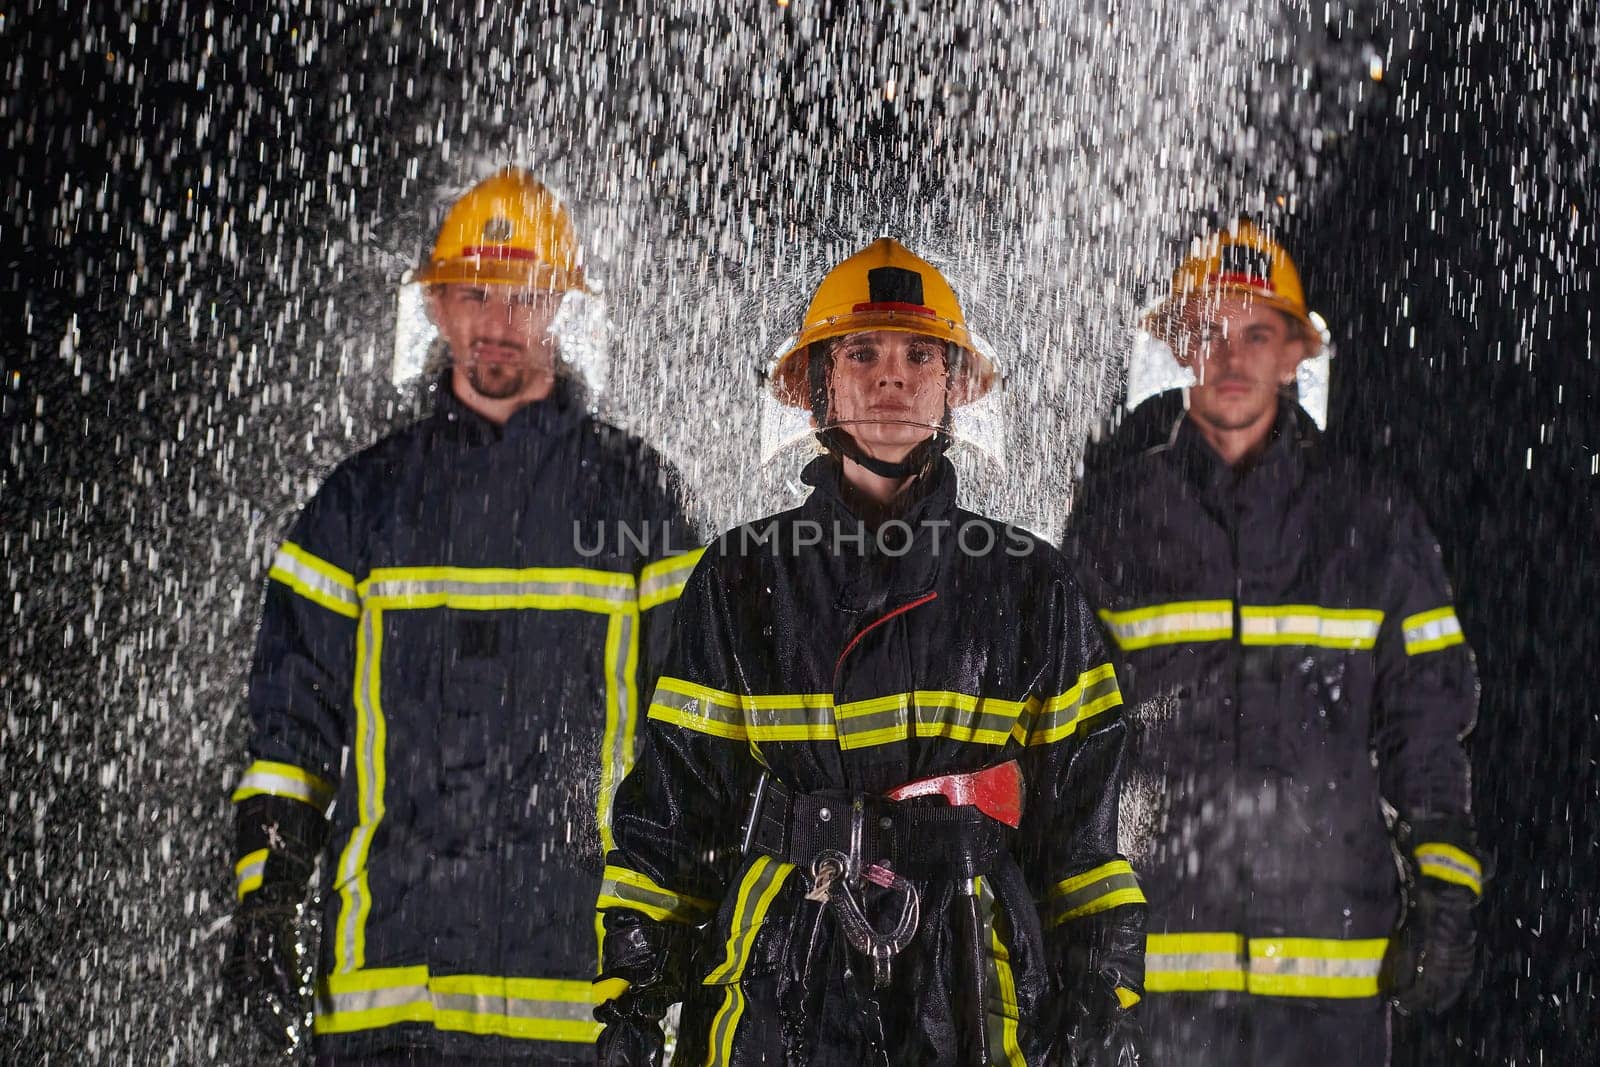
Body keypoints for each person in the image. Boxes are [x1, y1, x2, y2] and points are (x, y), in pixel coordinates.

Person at [593, 238, 1147, 1066]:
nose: (892, 376)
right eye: (862, 352)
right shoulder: (741, 576)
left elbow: (1083, 832)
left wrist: (1102, 997)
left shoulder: (1029, 585)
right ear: (819, 384)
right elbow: (674, 805)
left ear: (955, 385)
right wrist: (633, 1001)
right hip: (780, 979)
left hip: (974, 980)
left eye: (920, 353)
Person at [222, 167, 699, 1064]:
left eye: (523, 295)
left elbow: (692, 748)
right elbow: (289, 740)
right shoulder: (357, 506)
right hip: (391, 1004)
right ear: (435, 306)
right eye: (472, 292)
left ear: (563, 305)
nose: (496, 320)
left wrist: (683, 931)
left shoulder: (643, 505)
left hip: (584, 1009)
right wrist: (267, 898)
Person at [1062, 220, 1480, 1065]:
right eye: (1210, 330)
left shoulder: (1372, 523)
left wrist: (1447, 886)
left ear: (1294, 354)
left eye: (1257, 332)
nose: (1231, 356)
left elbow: (1428, 728)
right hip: (1161, 982)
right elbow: (1071, 741)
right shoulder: (1114, 522)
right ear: (1180, 345)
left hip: (1333, 984)